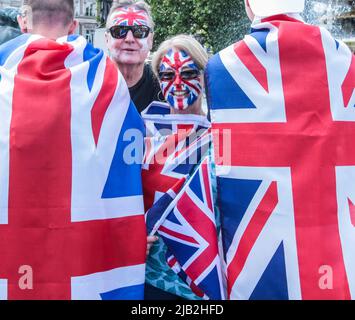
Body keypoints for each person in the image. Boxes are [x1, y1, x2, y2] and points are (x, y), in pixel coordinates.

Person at [205, 0, 355, 299]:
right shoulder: (346, 62)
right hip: (338, 257)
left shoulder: (223, 67)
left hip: (262, 266)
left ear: (249, 5)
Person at [0, 0, 147, 300]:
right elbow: (133, 152)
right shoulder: (106, 79)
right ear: (74, 26)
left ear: (23, 22)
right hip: (81, 259)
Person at [143, 34, 211, 300]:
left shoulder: (221, 133)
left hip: (201, 279)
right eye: (168, 74)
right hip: (150, 277)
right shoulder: (140, 132)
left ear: (204, 77)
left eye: (189, 72)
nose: (178, 83)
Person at [105, 0, 162, 113]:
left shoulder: (165, 85)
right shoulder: (88, 83)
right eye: (119, 31)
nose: (129, 39)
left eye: (140, 31)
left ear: (151, 40)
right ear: (107, 39)